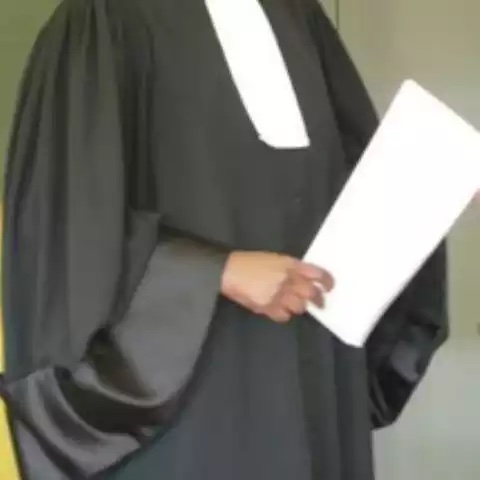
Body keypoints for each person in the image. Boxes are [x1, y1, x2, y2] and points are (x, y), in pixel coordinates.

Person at [0, 0, 448, 479]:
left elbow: (344, 182)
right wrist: (215, 269)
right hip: (190, 391)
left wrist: (426, 186)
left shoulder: (299, 18)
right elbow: (60, 217)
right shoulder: (107, 17)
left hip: (311, 367)